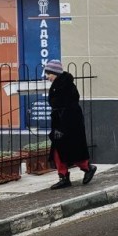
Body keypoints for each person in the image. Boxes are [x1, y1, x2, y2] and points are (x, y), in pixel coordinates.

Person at [44, 59, 97, 189]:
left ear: (55, 73)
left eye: (49, 73)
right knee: (58, 150)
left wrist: (62, 127)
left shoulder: (65, 86)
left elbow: (69, 107)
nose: (47, 77)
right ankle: (63, 177)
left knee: (72, 150)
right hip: (60, 122)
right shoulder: (58, 84)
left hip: (69, 124)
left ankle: (87, 168)